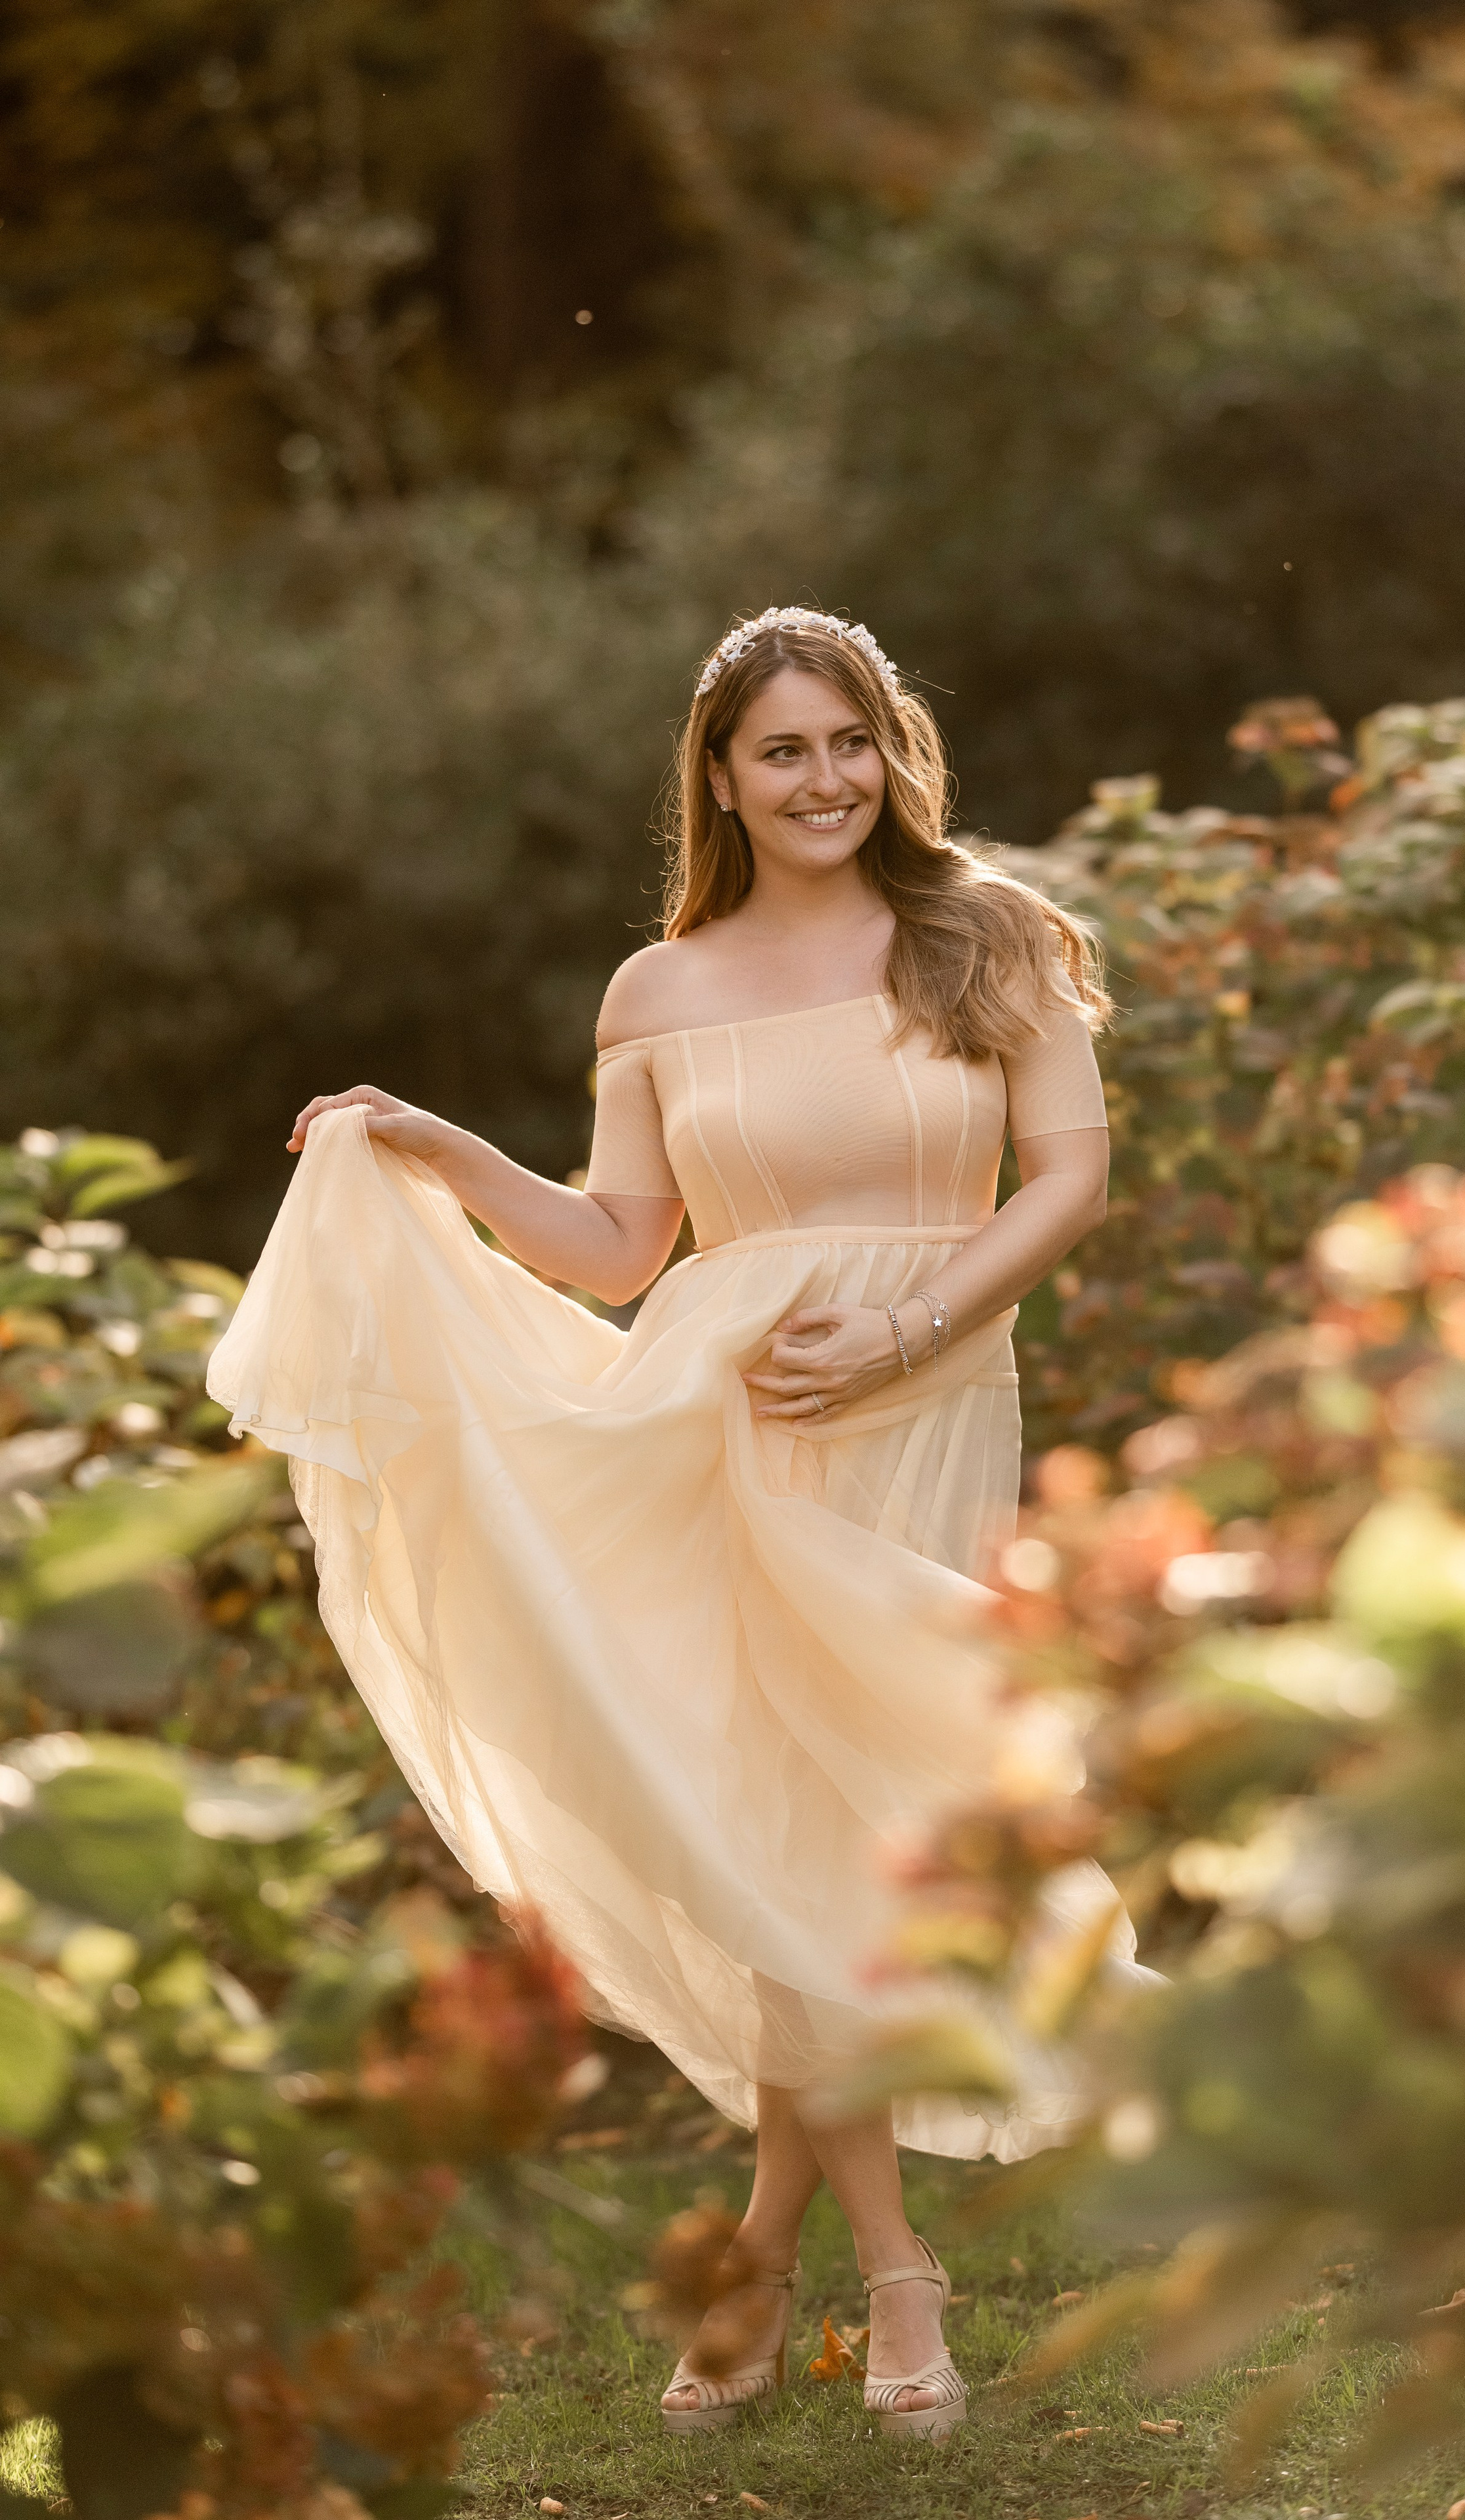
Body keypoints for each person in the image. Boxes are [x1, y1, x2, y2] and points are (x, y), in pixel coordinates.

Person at [208, 604, 1139, 2444]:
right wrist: (437, 1147)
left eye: (851, 740)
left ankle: (762, 2253)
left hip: (921, 1389)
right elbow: (626, 1247)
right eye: (783, 750)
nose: (824, 779)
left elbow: (1073, 1177)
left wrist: (906, 1322)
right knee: (793, 1830)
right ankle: (893, 2275)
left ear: (894, 751)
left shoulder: (989, 936)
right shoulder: (663, 988)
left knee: (870, 1821)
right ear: (721, 774)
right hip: (717, 1410)